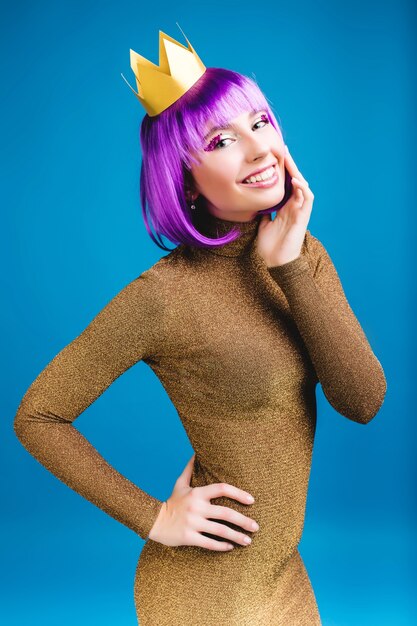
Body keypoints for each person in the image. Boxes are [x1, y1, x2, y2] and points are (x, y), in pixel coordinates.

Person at [13, 26, 387, 625]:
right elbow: (37, 416)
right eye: (222, 139)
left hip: (282, 577)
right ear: (183, 177)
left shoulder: (301, 254)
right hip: (205, 595)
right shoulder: (163, 297)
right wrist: (156, 516)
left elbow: (363, 399)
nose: (259, 148)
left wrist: (290, 268)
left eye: (261, 122)